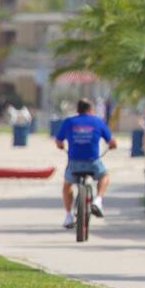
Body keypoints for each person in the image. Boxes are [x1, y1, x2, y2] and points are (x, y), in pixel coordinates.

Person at [55, 98, 116, 229]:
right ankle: (98, 200)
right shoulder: (98, 121)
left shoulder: (69, 122)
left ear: (78, 110)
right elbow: (111, 142)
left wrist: (61, 146)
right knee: (104, 176)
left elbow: (58, 141)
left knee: (67, 186)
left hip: (74, 163)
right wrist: (112, 146)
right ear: (91, 109)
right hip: (92, 162)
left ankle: (68, 216)